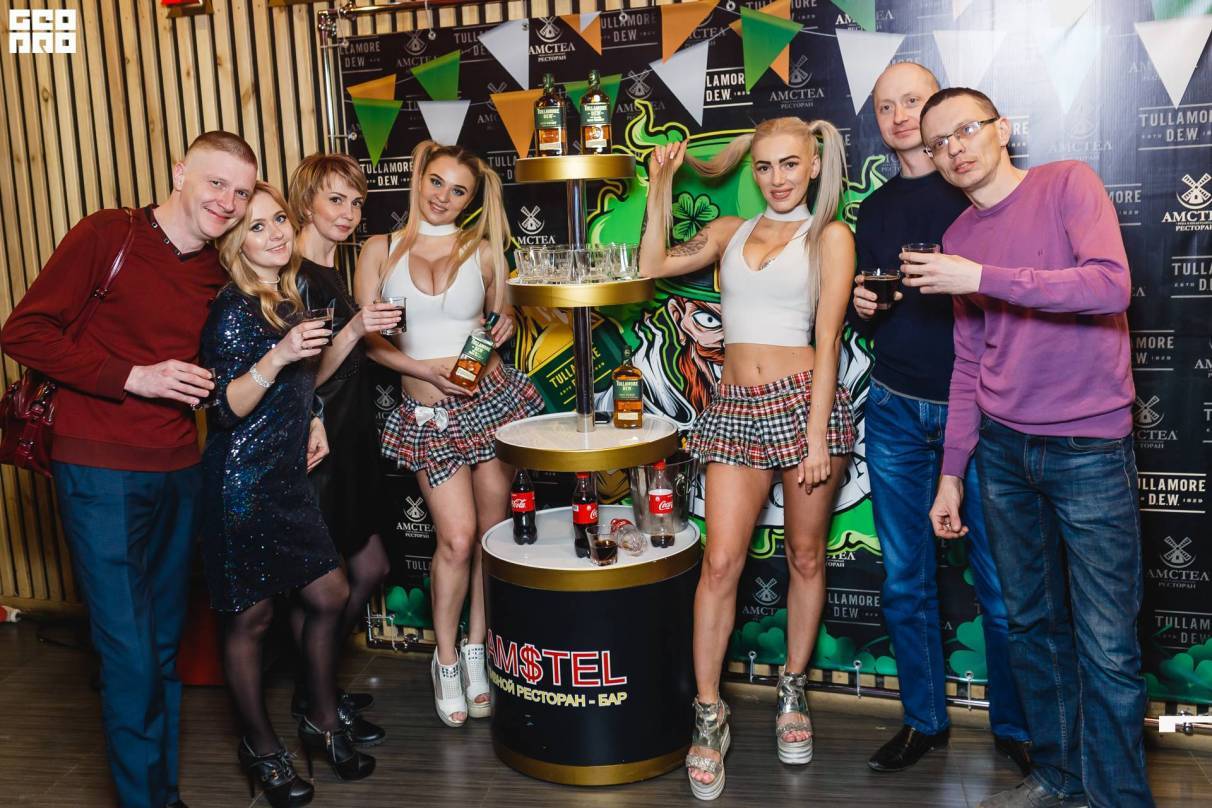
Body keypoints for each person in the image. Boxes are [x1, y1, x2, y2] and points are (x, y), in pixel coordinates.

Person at [911, 88, 1153, 808]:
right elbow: (968, 362)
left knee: (1107, 643)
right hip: (1004, 453)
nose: (954, 148)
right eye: (938, 142)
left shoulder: (1067, 183)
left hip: (1088, 447)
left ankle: (1119, 798)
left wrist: (981, 277)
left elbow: (1109, 287)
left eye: (966, 129)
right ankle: (1060, 776)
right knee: (1032, 627)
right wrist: (952, 474)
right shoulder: (958, 236)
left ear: (1002, 129)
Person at [0, 131, 257, 808]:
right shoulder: (108, 235)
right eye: (216, 183)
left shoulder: (217, 274)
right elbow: (23, 332)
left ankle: (160, 796)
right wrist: (133, 376)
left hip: (179, 468)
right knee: (129, 651)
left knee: (164, 646)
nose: (227, 202)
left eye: (240, 192)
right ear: (179, 173)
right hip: (100, 469)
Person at [640, 117, 856, 800]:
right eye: (764, 166)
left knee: (805, 557)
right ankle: (709, 714)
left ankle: (792, 690)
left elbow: (829, 340)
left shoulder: (830, 236)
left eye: (790, 164)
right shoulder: (729, 231)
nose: (777, 178)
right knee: (720, 563)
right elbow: (650, 266)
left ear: (814, 164)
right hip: (734, 405)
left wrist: (816, 436)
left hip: (804, 405)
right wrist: (661, 182)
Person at [849, 64, 1030, 775]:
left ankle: (1015, 728)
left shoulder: (977, 192)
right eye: (885, 106)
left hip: (977, 410)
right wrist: (865, 307)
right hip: (894, 407)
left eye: (913, 101)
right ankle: (923, 720)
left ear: (942, 111)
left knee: (1002, 583)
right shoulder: (874, 208)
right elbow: (875, 306)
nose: (899, 116)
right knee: (904, 579)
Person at [200, 182, 400, 804]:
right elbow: (224, 408)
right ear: (235, 241)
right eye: (257, 227)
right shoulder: (233, 308)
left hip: (286, 475)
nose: (275, 234)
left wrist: (312, 416)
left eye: (279, 220)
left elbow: (303, 385)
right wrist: (280, 357)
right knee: (253, 618)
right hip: (242, 481)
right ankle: (262, 747)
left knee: (331, 591)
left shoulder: (287, 297)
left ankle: (318, 716)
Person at [357, 140, 542, 728]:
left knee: (489, 536)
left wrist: (505, 326)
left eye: (458, 190)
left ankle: (476, 650)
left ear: (470, 200)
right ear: (419, 178)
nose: (443, 196)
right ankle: (444, 660)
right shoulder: (380, 249)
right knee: (456, 539)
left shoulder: (483, 251)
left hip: (489, 402)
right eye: (436, 182)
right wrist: (422, 369)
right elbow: (369, 341)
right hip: (428, 414)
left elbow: (499, 322)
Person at [287, 152, 385, 746]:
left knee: (370, 567)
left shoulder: (329, 272)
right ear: (306, 203)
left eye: (356, 202)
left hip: (349, 440)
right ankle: (316, 702)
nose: (348, 213)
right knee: (328, 588)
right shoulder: (296, 275)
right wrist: (357, 327)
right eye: (335, 199)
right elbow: (308, 379)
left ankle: (316, 685)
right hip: (317, 449)